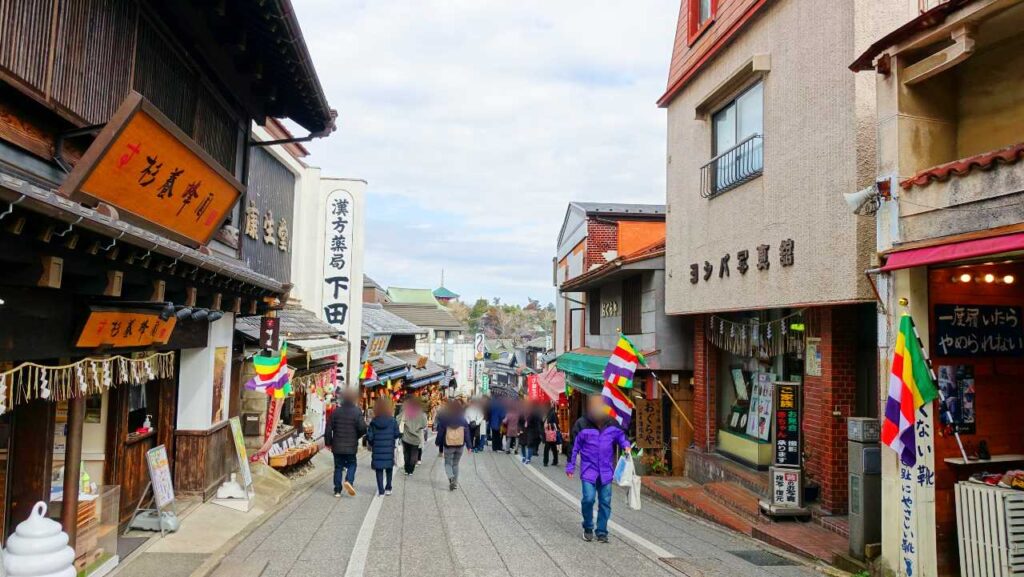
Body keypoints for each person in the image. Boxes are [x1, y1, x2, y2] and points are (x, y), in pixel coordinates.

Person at [566, 395, 631, 543]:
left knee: (605, 502)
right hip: (588, 470)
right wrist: (570, 465)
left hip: (606, 471)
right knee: (588, 499)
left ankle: (602, 531)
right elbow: (573, 446)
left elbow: (622, 437)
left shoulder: (612, 423)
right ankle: (588, 526)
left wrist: (625, 445)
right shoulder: (581, 424)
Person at [325, 389, 366, 497]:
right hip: (351, 445)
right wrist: (357, 436)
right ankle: (349, 481)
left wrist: (328, 442)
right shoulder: (357, 411)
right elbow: (362, 428)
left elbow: (328, 428)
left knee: (338, 467)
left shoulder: (336, 412)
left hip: (337, 445)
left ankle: (337, 490)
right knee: (352, 463)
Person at [367, 397, 399, 497]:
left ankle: (381, 491)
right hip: (389, 448)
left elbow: (370, 437)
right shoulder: (393, 421)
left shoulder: (373, 422)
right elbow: (396, 434)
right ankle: (388, 488)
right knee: (389, 468)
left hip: (377, 448)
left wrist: (373, 444)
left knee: (379, 469)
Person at [435, 400, 471, 490]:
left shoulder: (445, 419)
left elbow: (441, 432)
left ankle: (451, 478)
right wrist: (469, 446)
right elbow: (467, 433)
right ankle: (454, 483)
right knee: (455, 464)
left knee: (448, 463)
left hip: (448, 445)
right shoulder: (463, 420)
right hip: (459, 445)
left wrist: (437, 442)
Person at [399, 398, 428, 475]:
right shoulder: (420, 414)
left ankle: (406, 469)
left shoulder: (405, 412)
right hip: (416, 437)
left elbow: (398, 420)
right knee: (414, 453)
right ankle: (411, 470)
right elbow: (425, 425)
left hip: (406, 436)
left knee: (406, 453)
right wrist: (418, 427)